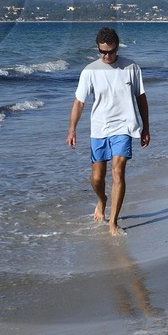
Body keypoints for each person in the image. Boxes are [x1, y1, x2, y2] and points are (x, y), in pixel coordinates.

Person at [66, 27, 151, 237]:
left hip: (124, 126)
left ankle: (113, 222)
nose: (107, 56)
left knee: (118, 172)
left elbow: (141, 98)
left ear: (117, 47)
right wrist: (72, 129)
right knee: (97, 178)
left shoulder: (131, 67)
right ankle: (102, 200)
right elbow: (79, 102)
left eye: (110, 52)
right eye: (102, 52)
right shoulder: (90, 71)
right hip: (99, 129)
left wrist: (146, 126)